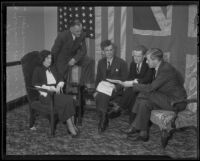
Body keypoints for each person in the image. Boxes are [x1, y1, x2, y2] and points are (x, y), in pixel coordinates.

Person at [121, 48, 187, 142]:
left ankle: (134, 125)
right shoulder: (160, 67)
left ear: (155, 60)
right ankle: (143, 134)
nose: (146, 62)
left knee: (144, 93)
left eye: (148, 59)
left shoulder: (166, 69)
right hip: (165, 98)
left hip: (176, 102)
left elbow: (151, 88)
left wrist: (132, 85)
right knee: (144, 102)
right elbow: (153, 87)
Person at [32, 50, 80, 138]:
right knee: (68, 100)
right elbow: (36, 85)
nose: (50, 60)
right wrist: (49, 88)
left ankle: (72, 125)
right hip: (46, 95)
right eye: (48, 58)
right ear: (43, 59)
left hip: (56, 93)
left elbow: (61, 79)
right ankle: (70, 127)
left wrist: (58, 86)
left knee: (71, 100)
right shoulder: (37, 69)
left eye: (51, 58)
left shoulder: (53, 68)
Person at [93, 40, 128, 133]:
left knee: (101, 96)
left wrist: (116, 87)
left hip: (115, 90)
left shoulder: (122, 63)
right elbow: (98, 78)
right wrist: (95, 90)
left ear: (114, 50)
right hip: (103, 88)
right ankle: (104, 119)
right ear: (103, 52)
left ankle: (103, 120)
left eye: (111, 50)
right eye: (106, 50)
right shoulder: (101, 62)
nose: (109, 52)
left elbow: (124, 80)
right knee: (100, 95)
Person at [113, 45, 154, 124]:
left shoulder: (148, 63)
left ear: (144, 56)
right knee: (131, 93)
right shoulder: (133, 64)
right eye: (134, 56)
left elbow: (148, 79)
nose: (135, 58)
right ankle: (132, 121)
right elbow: (130, 77)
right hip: (135, 88)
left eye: (138, 56)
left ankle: (120, 107)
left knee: (131, 91)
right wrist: (126, 83)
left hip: (145, 88)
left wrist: (134, 82)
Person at [51, 19, 94, 88]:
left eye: (81, 30)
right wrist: (53, 64)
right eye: (77, 31)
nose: (80, 33)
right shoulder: (62, 36)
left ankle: (83, 85)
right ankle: (62, 92)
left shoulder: (82, 35)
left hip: (74, 56)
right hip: (62, 59)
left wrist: (74, 59)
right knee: (61, 78)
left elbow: (83, 50)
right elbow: (54, 51)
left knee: (89, 61)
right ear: (71, 29)